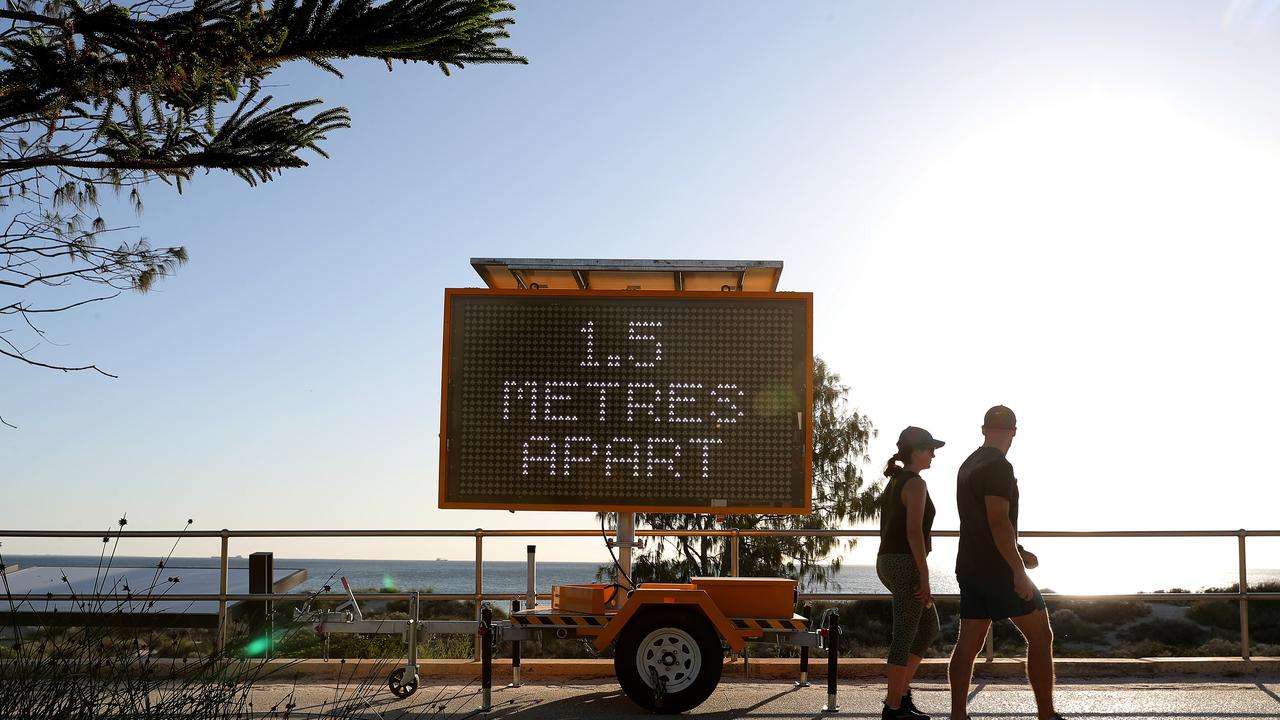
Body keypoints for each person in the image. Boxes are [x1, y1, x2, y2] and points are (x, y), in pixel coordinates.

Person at [948, 406, 1066, 720]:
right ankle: (1046, 715)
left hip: (969, 566)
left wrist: (1020, 549)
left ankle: (958, 715)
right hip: (998, 569)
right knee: (1041, 636)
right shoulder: (999, 466)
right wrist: (1018, 570)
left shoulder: (968, 464)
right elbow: (998, 521)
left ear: (983, 429)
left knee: (968, 643)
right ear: (1014, 432)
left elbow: (982, 522)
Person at [877, 426, 945, 720]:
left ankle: (901, 695)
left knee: (928, 628)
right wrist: (924, 573)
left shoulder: (896, 481)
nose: (933, 454)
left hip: (888, 561)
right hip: (905, 563)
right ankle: (893, 708)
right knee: (904, 635)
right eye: (930, 449)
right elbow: (914, 532)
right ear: (916, 451)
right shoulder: (915, 484)